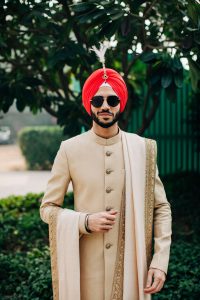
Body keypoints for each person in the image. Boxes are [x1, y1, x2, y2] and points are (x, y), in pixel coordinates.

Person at [40, 55, 172, 300]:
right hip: (86, 273)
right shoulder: (69, 149)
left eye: (112, 100)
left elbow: (161, 207)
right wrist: (84, 221)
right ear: (88, 103)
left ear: (120, 103)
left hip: (133, 270)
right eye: (97, 100)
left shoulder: (142, 149)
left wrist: (160, 260)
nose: (105, 106)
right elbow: (47, 208)